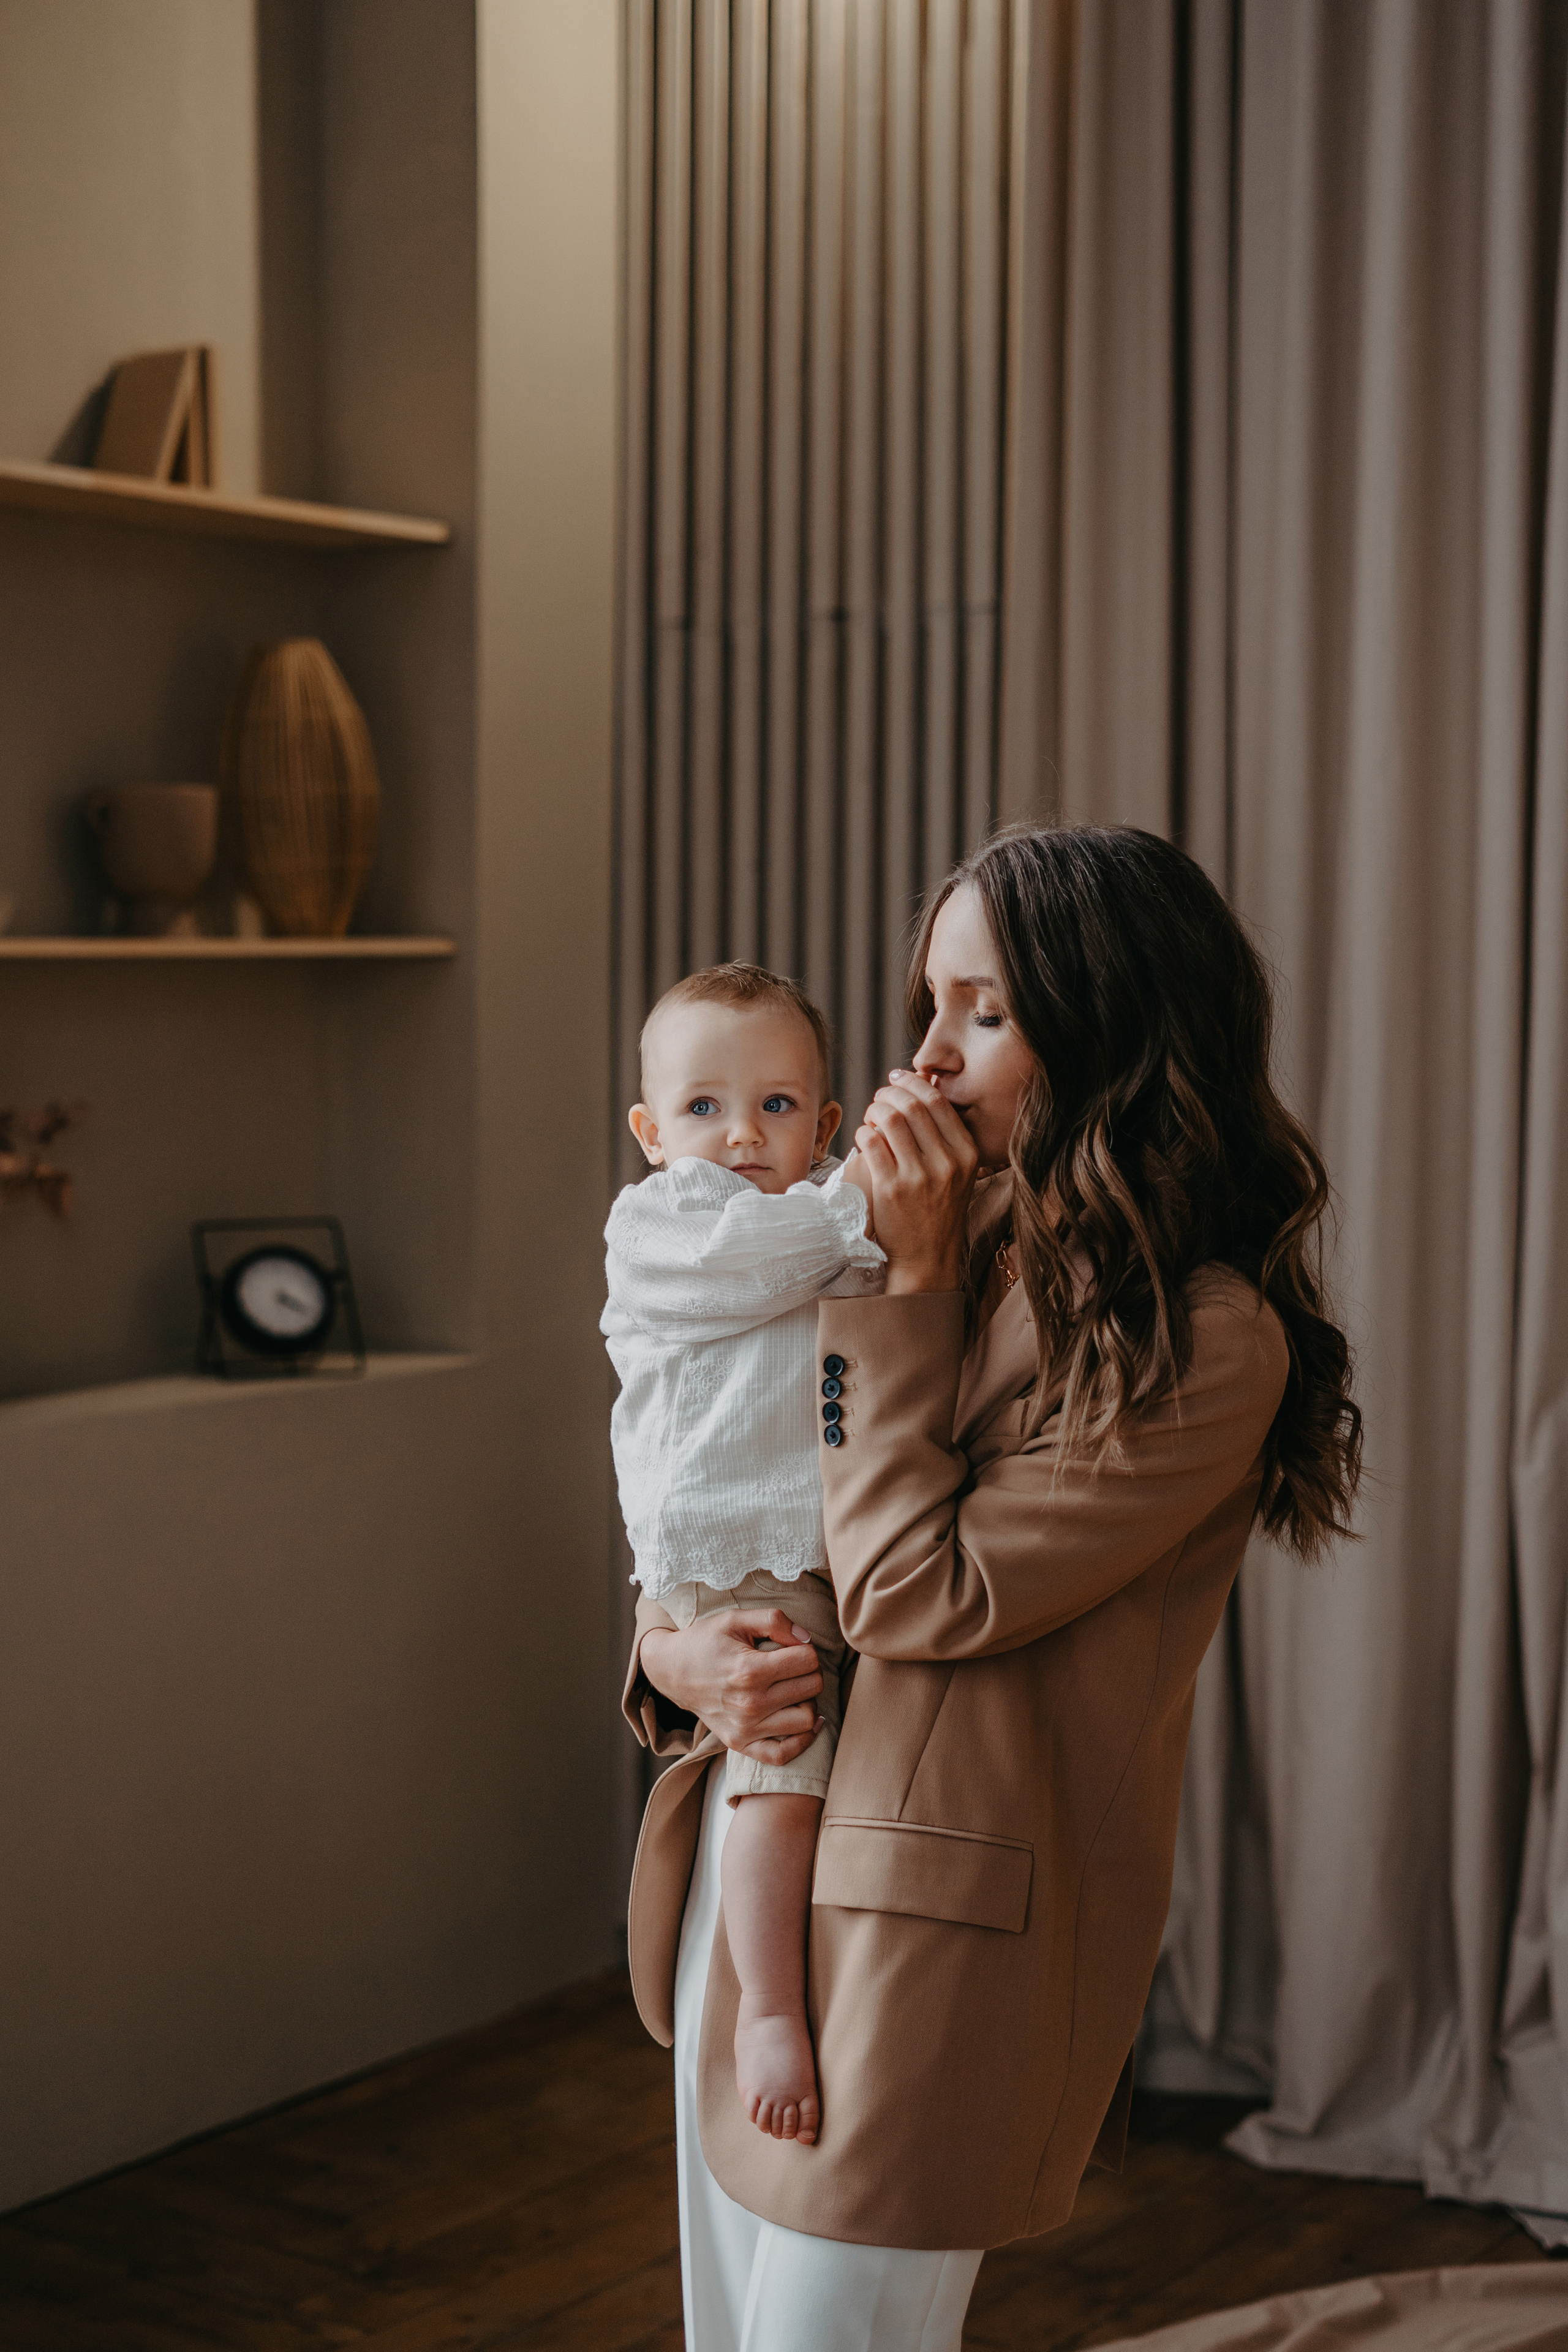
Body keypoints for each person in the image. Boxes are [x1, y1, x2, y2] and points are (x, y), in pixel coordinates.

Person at [622, 825, 1363, 2352]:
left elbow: (916, 1595)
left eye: (985, 1012)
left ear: (1109, 1030)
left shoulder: (1202, 1339)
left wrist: (905, 1291)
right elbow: (718, 1469)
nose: (928, 1060)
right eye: (929, 1007)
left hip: (931, 1931)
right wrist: (672, 1655)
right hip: (753, 1862)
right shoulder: (911, 1227)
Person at [604, 963, 884, 2147]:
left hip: (809, 1551)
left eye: (777, 1106)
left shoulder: (828, 1221)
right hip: (728, 1551)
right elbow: (763, 1266)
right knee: (784, 1766)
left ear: (823, 1123)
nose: (741, 1135)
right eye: (704, 1107)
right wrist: (865, 1194)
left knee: (791, 1761)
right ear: (651, 1132)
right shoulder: (662, 1224)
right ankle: (768, 2008)